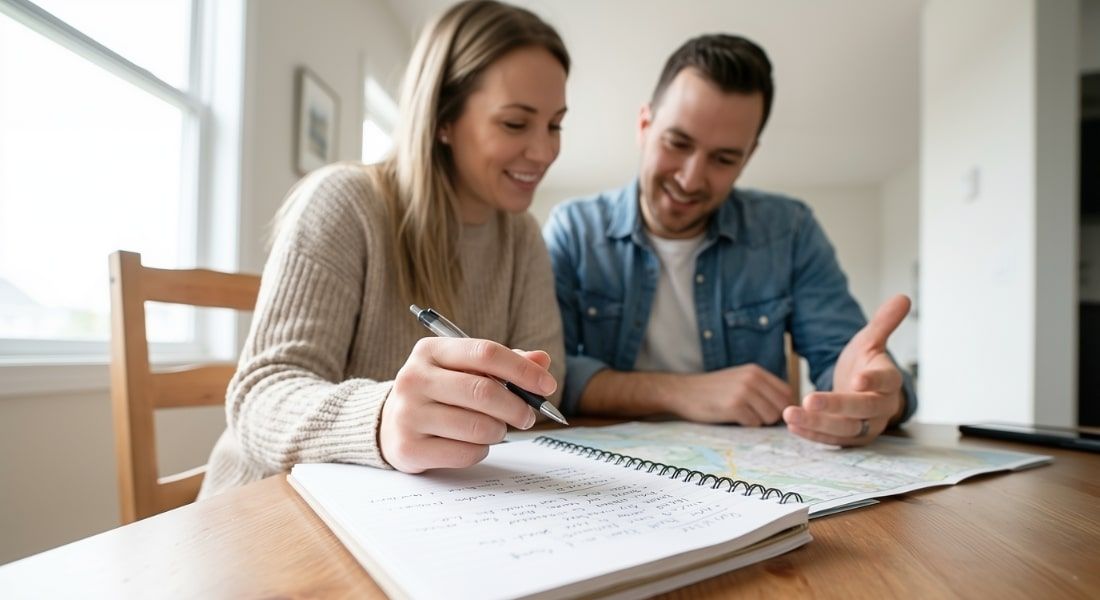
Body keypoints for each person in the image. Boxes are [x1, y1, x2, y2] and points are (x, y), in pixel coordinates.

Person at [200, 0, 570, 497]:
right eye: (515, 123)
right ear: (444, 118)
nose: (545, 152)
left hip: (418, 510)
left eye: (555, 125)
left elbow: (547, 387)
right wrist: (381, 418)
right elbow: (259, 396)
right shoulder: (344, 203)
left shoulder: (523, 237)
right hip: (265, 511)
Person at [543, 34, 917, 447]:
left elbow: (847, 361)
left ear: (748, 156)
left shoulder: (789, 230)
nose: (690, 178)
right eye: (678, 143)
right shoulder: (574, 230)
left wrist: (875, 395)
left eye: (723, 159)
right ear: (644, 125)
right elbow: (553, 375)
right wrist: (683, 391)